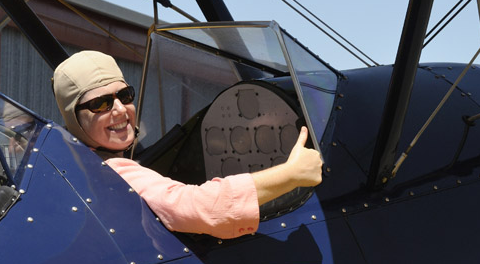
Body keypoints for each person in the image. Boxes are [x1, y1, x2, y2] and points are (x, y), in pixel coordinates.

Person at [53, 50, 323, 239]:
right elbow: (196, 206)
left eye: (124, 95)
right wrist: (291, 174)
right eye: (100, 104)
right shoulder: (112, 171)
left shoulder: (66, 164)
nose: (120, 110)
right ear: (74, 118)